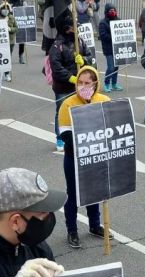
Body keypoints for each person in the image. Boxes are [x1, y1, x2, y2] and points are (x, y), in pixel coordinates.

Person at [57, 66, 116, 249]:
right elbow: (65, 135)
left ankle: (94, 225)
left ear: (95, 84)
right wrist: (86, 138)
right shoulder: (68, 104)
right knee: (73, 194)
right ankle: (72, 230)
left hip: (96, 156)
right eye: (79, 82)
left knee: (94, 191)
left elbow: (112, 128)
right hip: (74, 158)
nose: (82, 86)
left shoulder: (104, 100)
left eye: (87, 83)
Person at [49, 15, 93, 151]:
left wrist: (84, 60)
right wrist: (71, 78)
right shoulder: (57, 45)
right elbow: (56, 67)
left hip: (81, 85)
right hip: (63, 87)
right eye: (76, 27)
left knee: (81, 110)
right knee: (61, 111)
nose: (78, 30)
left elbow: (91, 57)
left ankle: (79, 135)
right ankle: (60, 138)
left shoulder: (80, 41)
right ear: (68, 29)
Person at [99, 3, 123, 92]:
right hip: (108, 49)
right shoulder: (102, 23)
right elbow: (103, 36)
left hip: (117, 48)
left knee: (116, 67)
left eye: (113, 10)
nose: (112, 12)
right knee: (111, 67)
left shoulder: (119, 21)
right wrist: (114, 37)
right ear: (106, 12)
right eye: (110, 11)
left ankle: (114, 84)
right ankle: (106, 84)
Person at [0, 1, 17, 83]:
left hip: (10, 41)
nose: (5, 11)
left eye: (7, 9)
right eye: (3, 9)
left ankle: (6, 74)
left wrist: (10, 29)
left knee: (7, 58)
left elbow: (16, 28)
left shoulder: (12, 18)